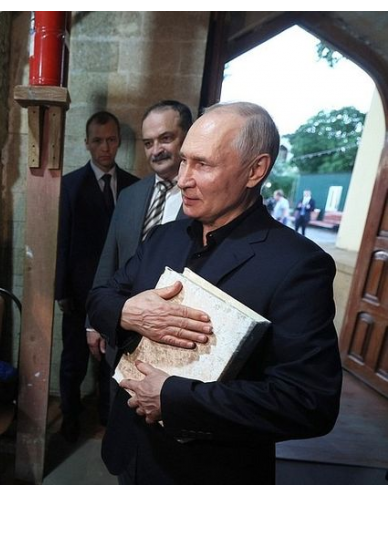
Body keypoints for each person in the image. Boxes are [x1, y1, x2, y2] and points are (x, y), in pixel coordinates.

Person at [87, 102, 342, 484]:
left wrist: (173, 399)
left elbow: (308, 402)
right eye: (184, 161)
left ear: (255, 170)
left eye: (202, 165)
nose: (182, 179)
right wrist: (128, 312)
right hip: (129, 452)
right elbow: (101, 297)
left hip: (206, 471)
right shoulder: (163, 236)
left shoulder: (297, 265)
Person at [90, 100, 192, 381]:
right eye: (148, 143)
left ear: (187, 137)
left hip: (172, 338)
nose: (156, 150)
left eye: (166, 139)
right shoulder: (130, 194)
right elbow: (108, 259)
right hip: (121, 327)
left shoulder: (200, 198)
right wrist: (94, 323)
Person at [55, 111, 138, 441]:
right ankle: (70, 417)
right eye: (99, 141)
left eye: (112, 140)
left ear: (118, 141)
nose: (106, 148)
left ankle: (107, 413)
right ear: (87, 143)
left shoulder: (133, 186)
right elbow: (62, 239)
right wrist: (61, 290)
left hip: (120, 293)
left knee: (113, 360)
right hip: (78, 291)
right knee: (73, 360)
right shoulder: (71, 185)